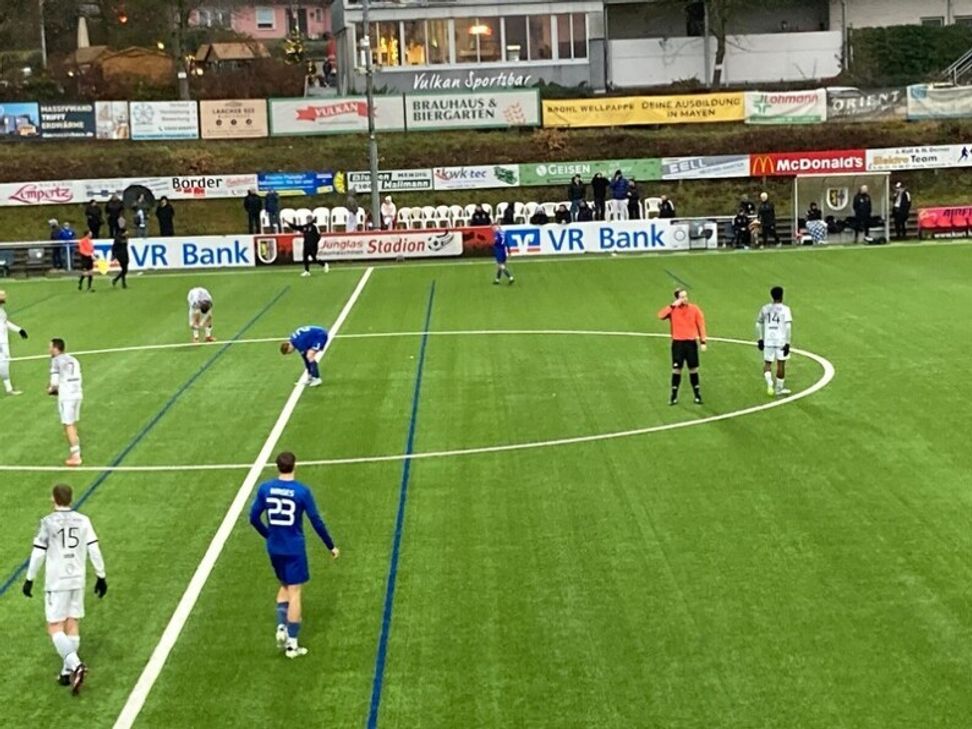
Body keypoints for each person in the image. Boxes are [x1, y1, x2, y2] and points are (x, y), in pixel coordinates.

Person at [249, 451, 339, 659]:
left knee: (284, 585)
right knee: (295, 592)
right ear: (294, 466)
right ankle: (292, 644)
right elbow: (316, 521)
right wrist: (330, 545)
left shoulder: (265, 488)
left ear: (277, 467)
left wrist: (268, 535)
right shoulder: (301, 491)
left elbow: (253, 517)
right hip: (293, 548)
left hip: (274, 547)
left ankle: (281, 626)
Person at [22, 483, 108, 694]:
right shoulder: (84, 520)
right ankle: (65, 672)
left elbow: (39, 553)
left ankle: (76, 665)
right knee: (72, 623)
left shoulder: (47, 523)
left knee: (55, 627)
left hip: (57, 581)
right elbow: (94, 548)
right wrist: (101, 575)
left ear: (54, 498)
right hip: (77, 579)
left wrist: (30, 578)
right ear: (70, 498)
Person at [658, 289, 707, 405]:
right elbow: (660, 315)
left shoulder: (694, 309)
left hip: (690, 343)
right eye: (682, 297)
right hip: (678, 344)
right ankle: (673, 396)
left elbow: (701, 325)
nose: (685, 299)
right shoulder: (672, 310)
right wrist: (672, 306)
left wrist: (703, 341)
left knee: (693, 369)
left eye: (686, 296)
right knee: (677, 369)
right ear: (677, 299)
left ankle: (697, 395)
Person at [48, 338, 84, 466]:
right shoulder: (73, 359)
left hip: (66, 396)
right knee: (73, 423)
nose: (48, 350)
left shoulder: (55, 361)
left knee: (68, 424)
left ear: (55, 348)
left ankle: (76, 456)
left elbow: (54, 383)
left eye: (50, 347)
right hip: (77, 393)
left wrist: (51, 390)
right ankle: (76, 448)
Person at [756, 286, 793, 397]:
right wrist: (787, 343)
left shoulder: (765, 308)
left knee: (767, 363)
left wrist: (760, 339)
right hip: (781, 340)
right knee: (781, 364)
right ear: (782, 296)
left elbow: (758, 323)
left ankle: (769, 383)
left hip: (768, 340)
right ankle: (779, 389)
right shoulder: (785, 309)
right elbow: (788, 326)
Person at [0, 289, 28, 396]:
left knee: (5, 363)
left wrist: (19, 330)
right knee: (3, 363)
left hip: (4, 342)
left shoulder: (2, 311)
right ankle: (9, 389)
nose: (5, 297)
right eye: (3, 296)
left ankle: (9, 389)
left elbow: (4, 322)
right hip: (1, 343)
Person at [111, 223, 129, 289]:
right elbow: (115, 247)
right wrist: (113, 256)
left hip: (125, 254)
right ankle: (121, 282)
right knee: (124, 269)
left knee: (124, 270)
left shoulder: (123, 237)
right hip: (120, 255)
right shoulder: (118, 238)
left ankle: (118, 281)